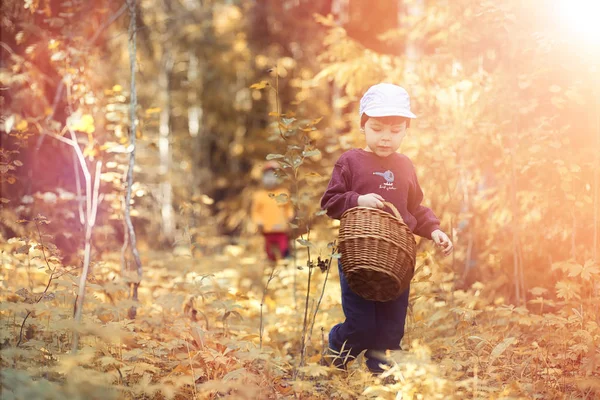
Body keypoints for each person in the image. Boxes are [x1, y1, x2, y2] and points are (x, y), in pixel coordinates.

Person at [320, 83, 453, 374]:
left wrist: (433, 230)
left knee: (391, 329)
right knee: (361, 324)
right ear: (363, 125)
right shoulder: (351, 161)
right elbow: (330, 202)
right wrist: (357, 200)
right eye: (378, 128)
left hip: (397, 261)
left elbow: (414, 208)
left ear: (406, 130)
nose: (386, 138)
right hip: (359, 258)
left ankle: (384, 380)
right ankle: (331, 364)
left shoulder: (405, 165)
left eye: (395, 131)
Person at [251, 161, 294, 261]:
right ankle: (271, 271)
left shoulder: (284, 193)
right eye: (268, 175)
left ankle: (285, 269)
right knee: (269, 254)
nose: (270, 178)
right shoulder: (259, 195)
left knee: (284, 251)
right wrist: (258, 221)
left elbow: (289, 209)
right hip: (267, 231)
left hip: (282, 230)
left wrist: (290, 217)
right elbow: (255, 212)